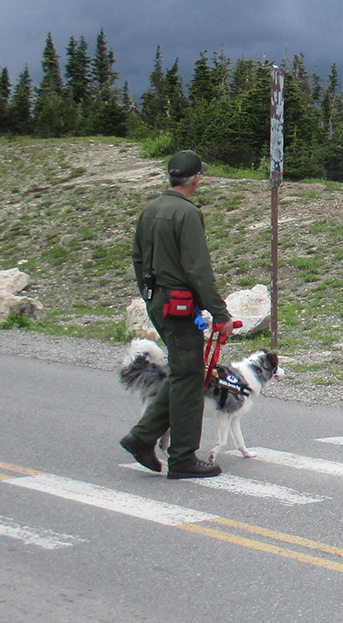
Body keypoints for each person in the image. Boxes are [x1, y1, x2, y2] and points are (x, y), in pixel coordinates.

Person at [120, 150, 234, 479]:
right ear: (196, 178)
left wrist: (149, 293)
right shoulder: (187, 214)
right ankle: (182, 457)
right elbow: (198, 269)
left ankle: (141, 438)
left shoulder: (150, 210)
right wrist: (220, 312)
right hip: (179, 304)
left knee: (184, 373)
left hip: (156, 300)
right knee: (189, 377)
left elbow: (138, 259)